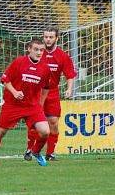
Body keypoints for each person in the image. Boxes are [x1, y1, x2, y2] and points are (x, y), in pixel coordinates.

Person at [0, 38, 51, 168]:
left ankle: (35, 152)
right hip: (13, 105)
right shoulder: (19, 62)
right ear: (29, 49)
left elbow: (46, 87)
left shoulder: (45, 68)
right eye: (36, 49)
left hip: (32, 106)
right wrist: (15, 92)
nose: (39, 52)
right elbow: (5, 79)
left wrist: (40, 103)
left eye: (41, 50)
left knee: (45, 131)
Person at [25, 27, 77, 161]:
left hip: (52, 92)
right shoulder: (36, 53)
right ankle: (29, 150)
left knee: (53, 122)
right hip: (36, 92)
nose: (48, 39)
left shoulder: (62, 56)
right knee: (34, 123)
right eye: (46, 37)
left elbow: (70, 75)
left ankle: (50, 153)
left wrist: (69, 89)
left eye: (51, 37)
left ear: (56, 38)